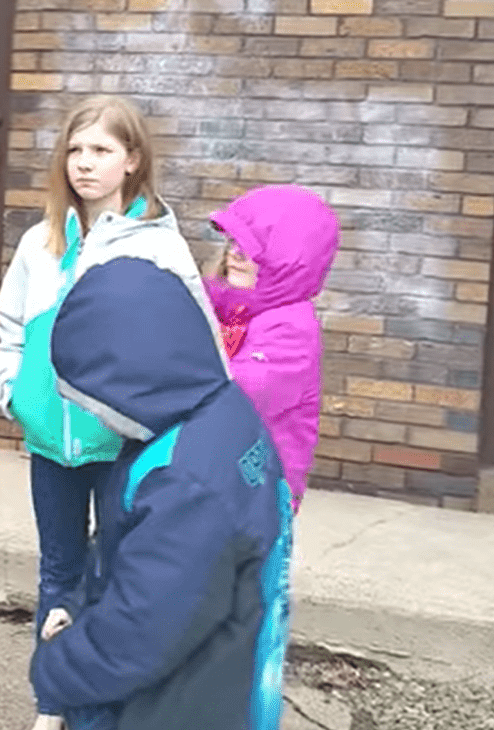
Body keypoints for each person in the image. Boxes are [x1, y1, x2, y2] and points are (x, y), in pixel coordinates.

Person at [0, 94, 214, 730]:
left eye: (102, 151)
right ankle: (53, 703)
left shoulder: (158, 249)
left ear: (132, 161)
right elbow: (9, 325)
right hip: (50, 445)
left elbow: (198, 350)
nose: (84, 164)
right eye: (76, 150)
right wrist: (15, 393)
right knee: (58, 570)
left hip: (124, 449)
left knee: (115, 578)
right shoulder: (41, 240)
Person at [33, 248, 293, 730]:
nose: (94, 413)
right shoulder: (215, 411)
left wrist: (55, 670)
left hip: (178, 706)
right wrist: (78, 605)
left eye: (94, 400)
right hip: (221, 672)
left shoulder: (185, 481)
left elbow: (142, 633)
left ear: (131, 379)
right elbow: (139, 548)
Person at [203, 185, 340, 510]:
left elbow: (238, 396)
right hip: (212, 477)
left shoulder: (290, 327)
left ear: (289, 260)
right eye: (233, 241)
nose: (235, 253)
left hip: (254, 492)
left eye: (253, 247)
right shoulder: (225, 308)